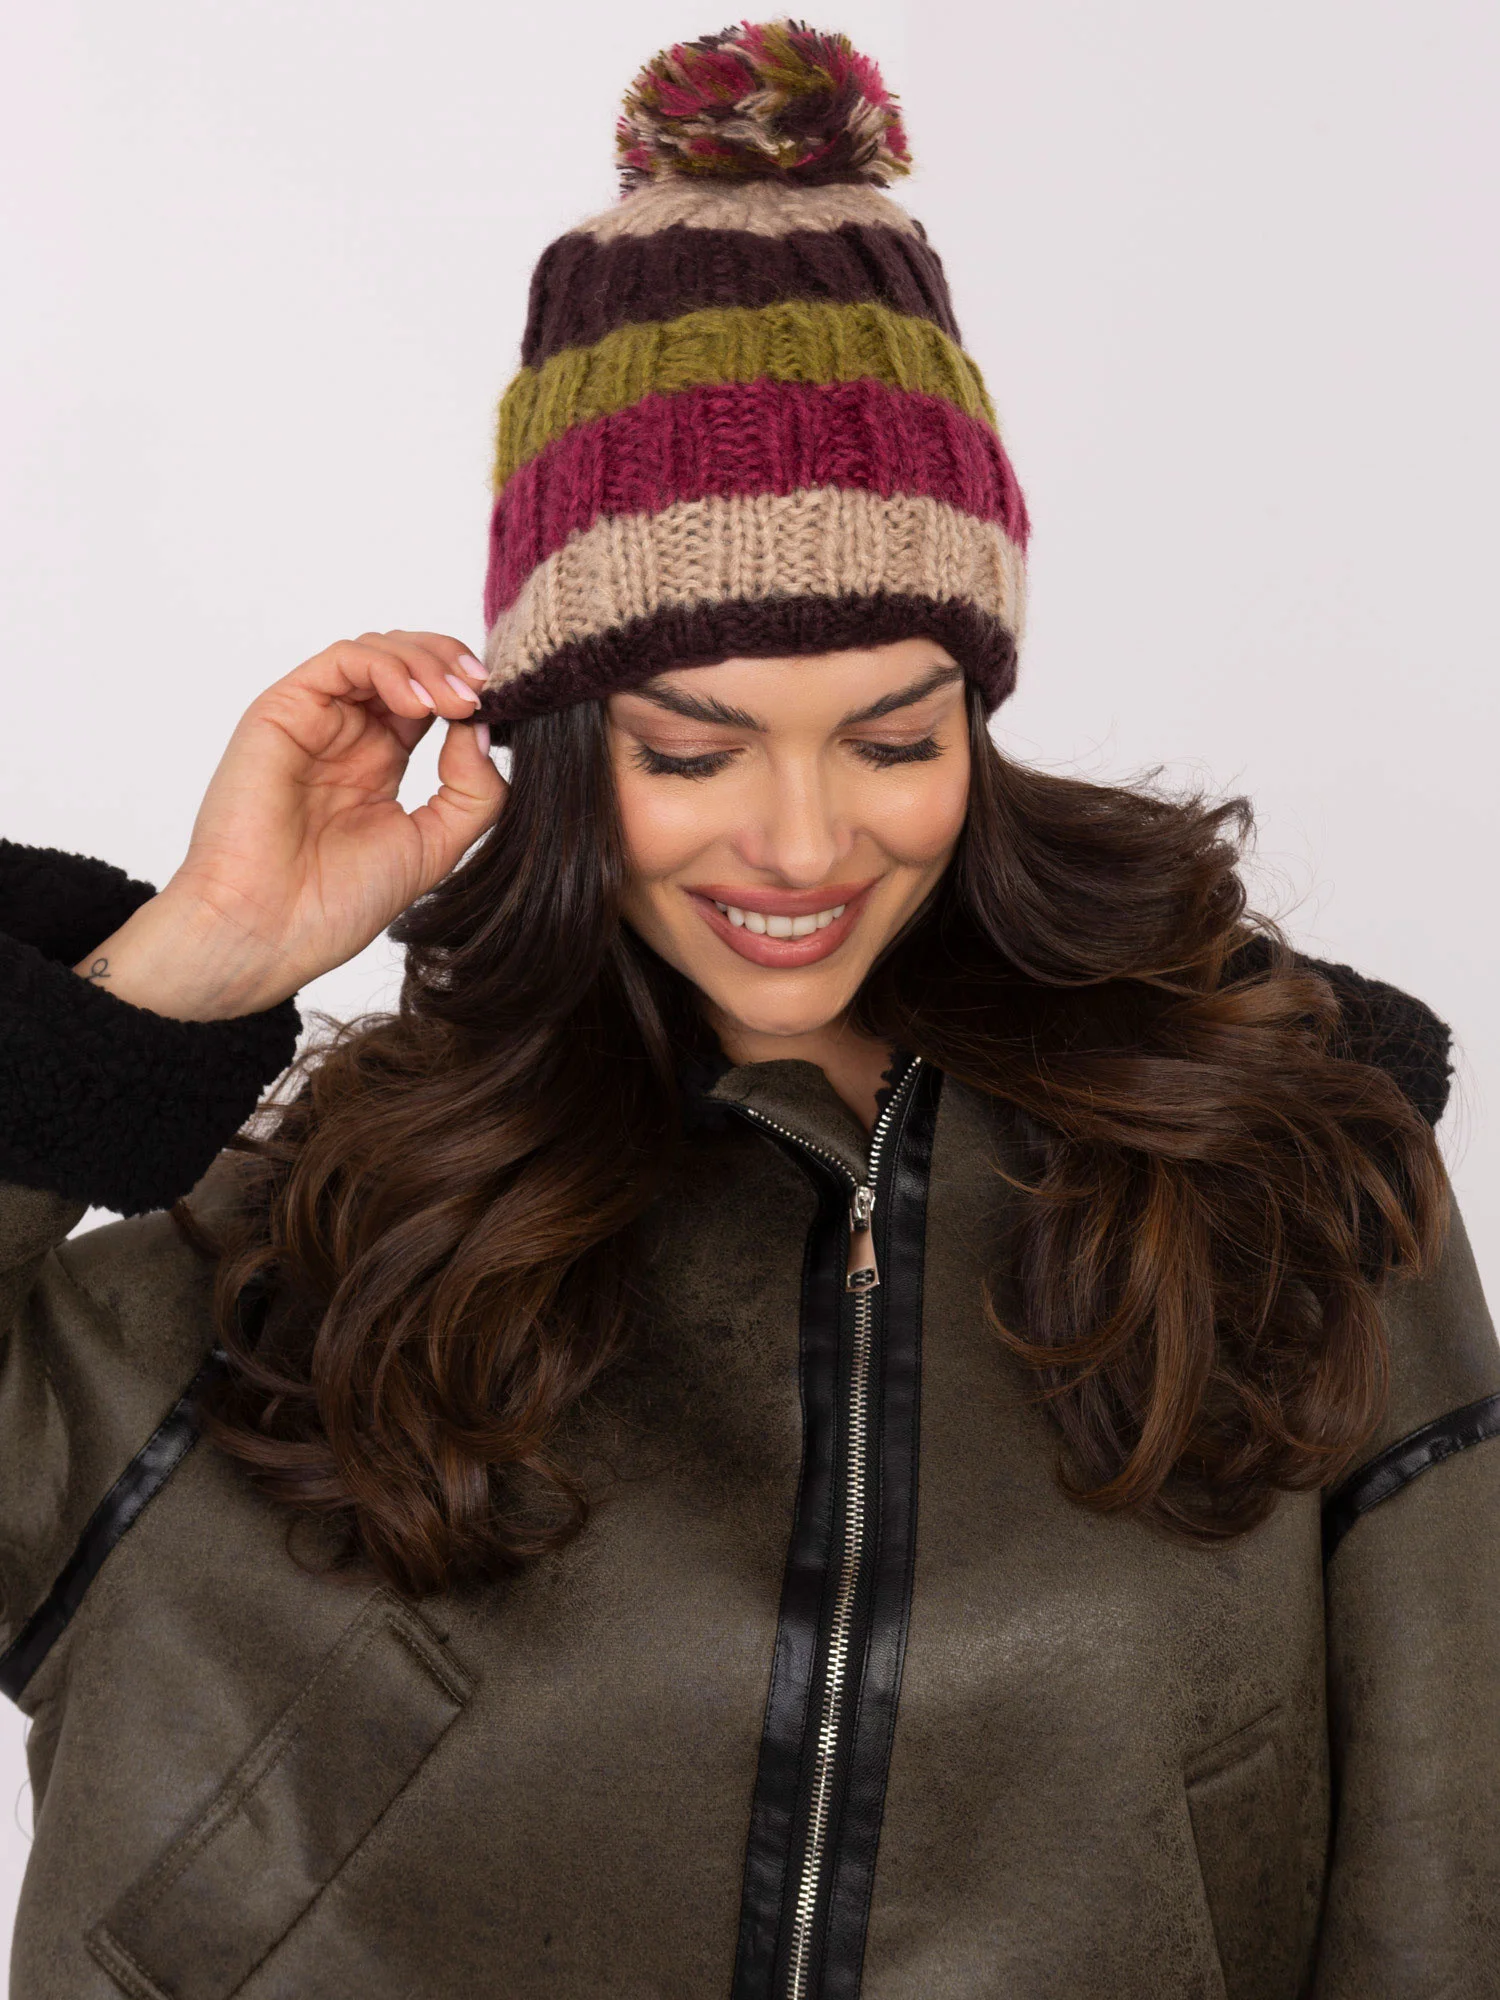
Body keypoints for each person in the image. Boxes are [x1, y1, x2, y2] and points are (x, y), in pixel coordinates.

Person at [1, 21, 1496, 2000]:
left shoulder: (1285, 1169)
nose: (801, 841)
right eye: (693, 751)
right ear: (561, 744)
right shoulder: (319, 1239)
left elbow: (1442, 1890)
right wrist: (172, 977)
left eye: (894, 737)